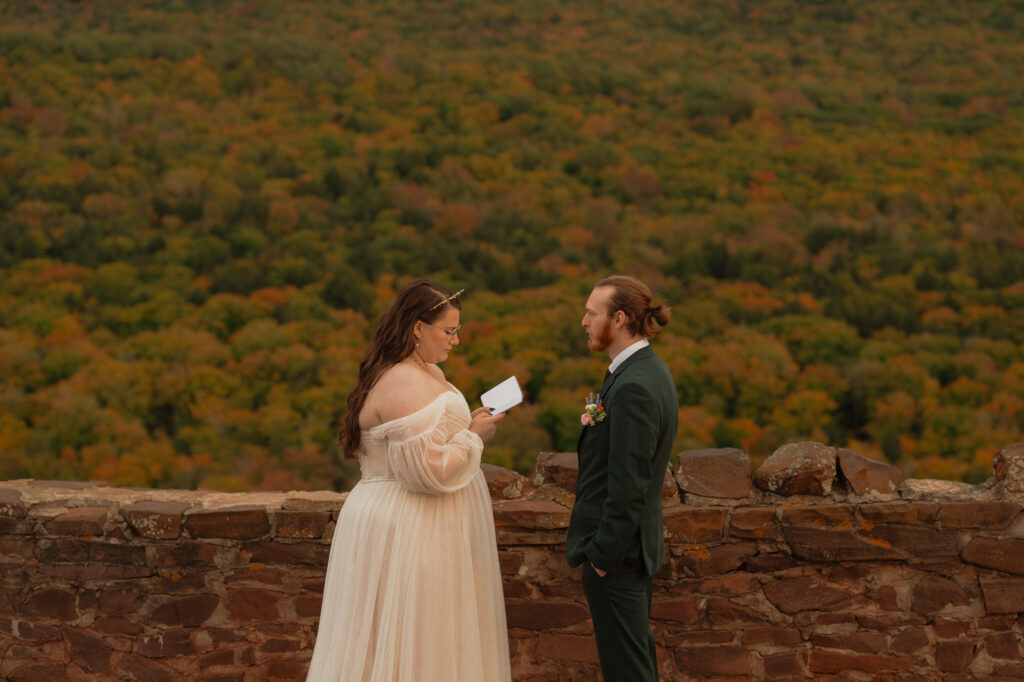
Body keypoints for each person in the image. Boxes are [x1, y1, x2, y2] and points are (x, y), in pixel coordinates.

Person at [306, 279, 511, 682]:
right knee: (408, 637)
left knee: (430, 633)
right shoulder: (400, 380)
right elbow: (424, 472)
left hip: (425, 525)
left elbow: (431, 438)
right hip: (405, 527)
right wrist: (474, 437)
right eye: (449, 331)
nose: (456, 341)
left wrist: (469, 423)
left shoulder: (427, 370)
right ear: (418, 328)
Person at [565, 275, 678, 682]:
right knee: (630, 665)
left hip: (619, 560)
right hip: (624, 557)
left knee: (627, 671)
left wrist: (601, 559)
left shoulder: (635, 387)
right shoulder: (640, 371)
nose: (584, 321)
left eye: (591, 313)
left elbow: (630, 486)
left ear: (620, 318)